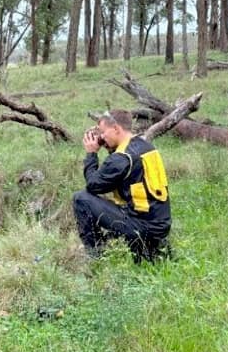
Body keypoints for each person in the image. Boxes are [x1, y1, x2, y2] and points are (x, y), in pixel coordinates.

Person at [72, 109, 171, 262]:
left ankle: (96, 255)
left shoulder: (121, 157)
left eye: (103, 132)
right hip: (160, 226)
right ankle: (147, 246)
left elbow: (93, 185)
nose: (102, 137)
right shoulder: (145, 146)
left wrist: (91, 153)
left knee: (81, 199)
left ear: (116, 129)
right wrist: (108, 146)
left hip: (142, 227)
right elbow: (118, 176)